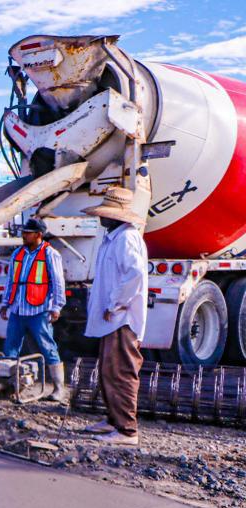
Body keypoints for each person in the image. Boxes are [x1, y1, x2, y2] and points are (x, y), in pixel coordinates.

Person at [82, 186, 149, 446]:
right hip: (112, 317)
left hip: (123, 318)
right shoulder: (113, 238)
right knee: (108, 369)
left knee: (121, 371)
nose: (101, 218)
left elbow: (135, 276)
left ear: (116, 216)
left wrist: (116, 304)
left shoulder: (126, 239)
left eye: (105, 214)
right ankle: (112, 419)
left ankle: (126, 429)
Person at [0, 218, 68, 402]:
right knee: (11, 348)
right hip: (18, 309)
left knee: (48, 347)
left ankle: (59, 389)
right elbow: (10, 281)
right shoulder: (18, 254)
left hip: (39, 310)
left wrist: (56, 306)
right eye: (24, 232)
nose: (24, 235)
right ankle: (9, 387)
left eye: (28, 233)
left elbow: (58, 282)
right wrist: (5, 303)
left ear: (39, 234)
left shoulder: (50, 254)